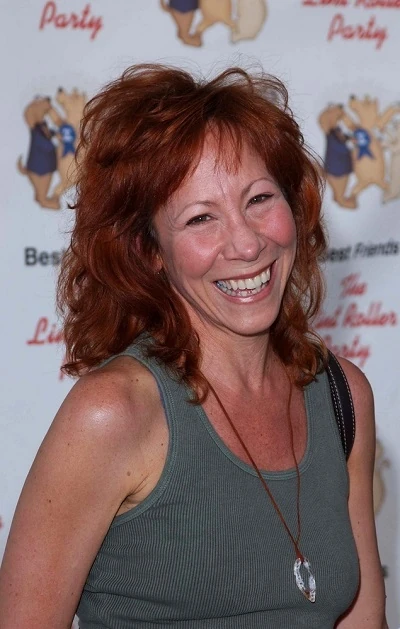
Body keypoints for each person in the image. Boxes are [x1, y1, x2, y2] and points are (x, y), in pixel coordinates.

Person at [0, 64, 387, 628]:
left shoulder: (342, 395)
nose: (246, 243)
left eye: (259, 198)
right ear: (150, 251)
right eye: (201, 217)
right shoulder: (114, 412)